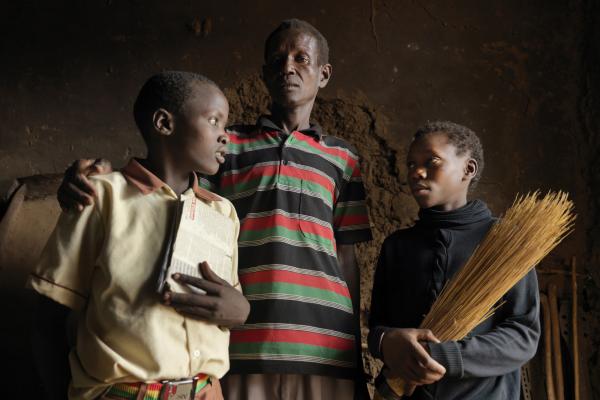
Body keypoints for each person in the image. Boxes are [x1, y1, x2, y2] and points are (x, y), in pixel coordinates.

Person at [57, 19, 375, 400]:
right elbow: (169, 196)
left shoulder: (343, 158)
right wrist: (93, 180)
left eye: (300, 59)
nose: (287, 67)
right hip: (244, 339)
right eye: (276, 60)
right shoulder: (226, 147)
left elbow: (346, 257)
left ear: (323, 75)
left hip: (325, 343)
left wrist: (353, 346)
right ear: (263, 74)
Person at [30, 71, 250, 400]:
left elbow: (225, 305)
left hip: (206, 392)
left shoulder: (221, 213)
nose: (225, 136)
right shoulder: (100, 196)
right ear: (164, 123)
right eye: (214, 121)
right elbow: (48, 317)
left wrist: (241, 312)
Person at [368, 121, 540, 399]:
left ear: (468, 169)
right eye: (411, 164)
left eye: (431, 161)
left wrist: (445, 356)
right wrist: (389, 342)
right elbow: (377, 328)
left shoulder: (505, 241)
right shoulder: (397, 247)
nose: (416, 172)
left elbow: (523, 335)